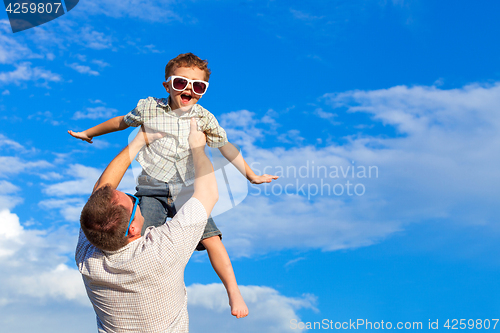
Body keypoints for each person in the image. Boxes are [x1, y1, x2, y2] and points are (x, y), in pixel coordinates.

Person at [69, 53, 278, 318]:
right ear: (167, 85)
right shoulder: (149, 108)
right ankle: (137, 286)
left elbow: (226, 147)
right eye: (181, 83)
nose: (189, 89)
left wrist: (251, 175)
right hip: (151, 187)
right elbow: (121, 122)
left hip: (186, 188)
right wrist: (90, 132)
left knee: (213, 239)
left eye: (198, 86)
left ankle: (233, 291)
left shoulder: (204, 119)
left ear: (203, 92)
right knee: (136, 237)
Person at [76, 120, 218, 332]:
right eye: (132, 199)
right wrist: (198, 148)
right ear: (132, 229)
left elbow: (101, 191)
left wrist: (139, 141)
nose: (136, 199)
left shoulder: (88, 256)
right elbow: (208, 193)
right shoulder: (161, 251)